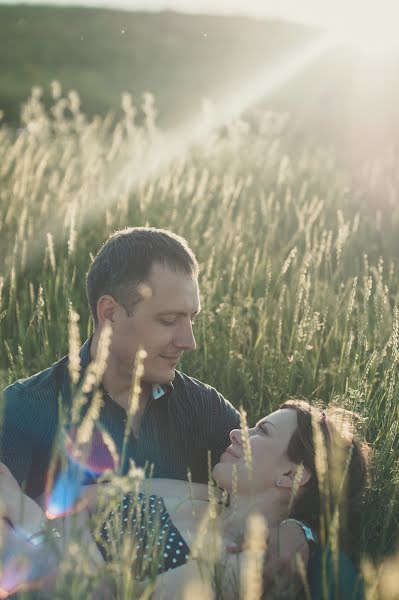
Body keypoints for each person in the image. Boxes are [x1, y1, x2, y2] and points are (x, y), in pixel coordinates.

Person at [0, 401, 371, 599]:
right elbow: (74, 503)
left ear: (291, 476)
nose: (236, 432)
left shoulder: (256, 568)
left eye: (262, 431)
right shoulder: (201, 497)